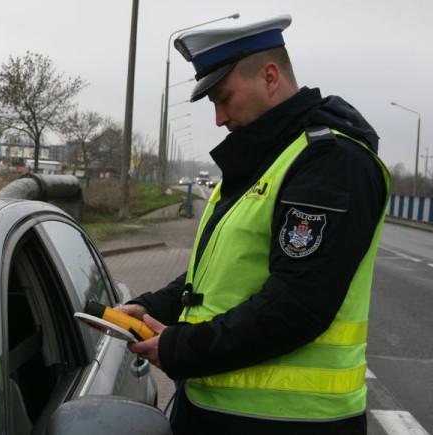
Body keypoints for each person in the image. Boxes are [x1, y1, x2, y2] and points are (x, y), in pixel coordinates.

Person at [117, 14, 390, 435]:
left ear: (269, 76)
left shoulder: (331, 163)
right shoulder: (268, 158)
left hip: (291, 423)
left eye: (224, 98)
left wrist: (180, 346)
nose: (220, 118)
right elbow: (223, 271)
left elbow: (297, 304)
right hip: (223, 411)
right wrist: (158, 305)